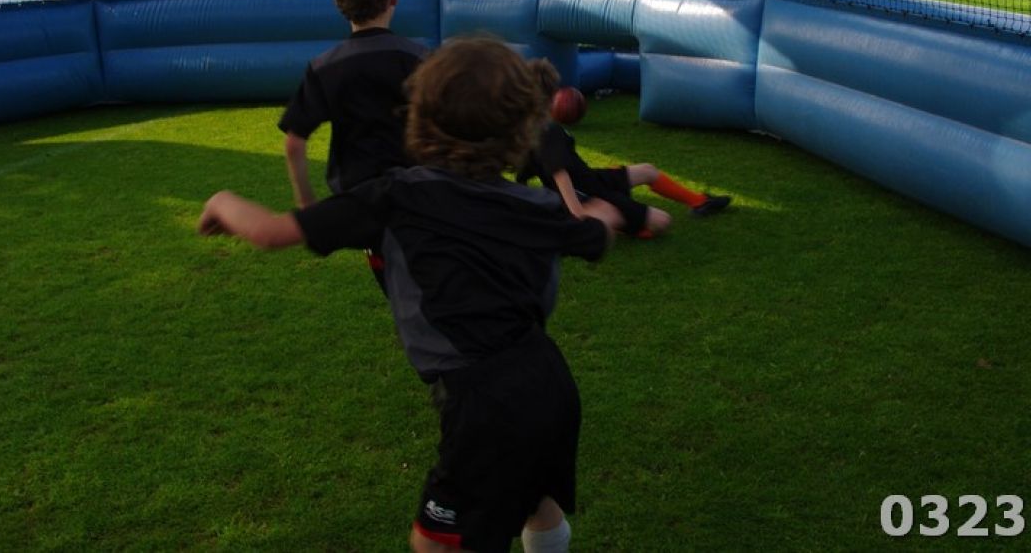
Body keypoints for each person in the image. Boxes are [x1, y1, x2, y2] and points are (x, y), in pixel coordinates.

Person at [199, 37, 622, 553]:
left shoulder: (397, 195)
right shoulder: (534, 205)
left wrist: (221, 201)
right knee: (534, 498)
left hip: (482, 401)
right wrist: (605, 214)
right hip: (549, 381)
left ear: (420, 117)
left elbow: (269, 232)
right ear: (519, 131)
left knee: (434, 543)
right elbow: (596, 234)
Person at [279, 0, 426, 209]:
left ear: (339, 1)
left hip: (354, 202)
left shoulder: (325, 68)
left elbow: (294, 143)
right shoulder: (419, 60)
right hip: (413, 196)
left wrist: (306, 204)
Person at [517, 112, 731, 240]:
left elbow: (524, 176)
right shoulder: (547, 130)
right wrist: (578, 213)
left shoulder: (533, 132)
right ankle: (625, 226)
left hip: (593, 179)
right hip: (588, 194)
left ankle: (699, 202)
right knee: (663, 222)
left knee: (648, 170)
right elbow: (560, 174)